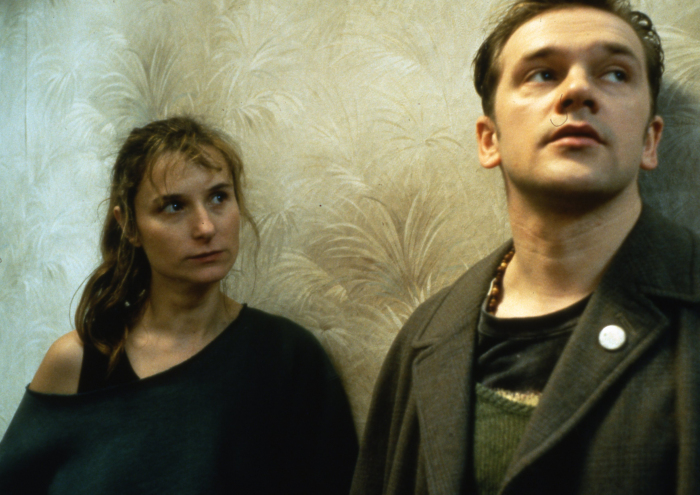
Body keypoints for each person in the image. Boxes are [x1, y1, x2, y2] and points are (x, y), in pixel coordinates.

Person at [351, 1, 700, 494]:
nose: (578, 90)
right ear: (489, 140)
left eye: (615, 74)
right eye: (543, 73)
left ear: (650, 141)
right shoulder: (426, 340)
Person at [0, 117, 358, 494]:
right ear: (129, 226)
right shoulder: (79, 362)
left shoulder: (288, 356)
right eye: (173, 206)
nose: (205, 227)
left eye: (218, 198)